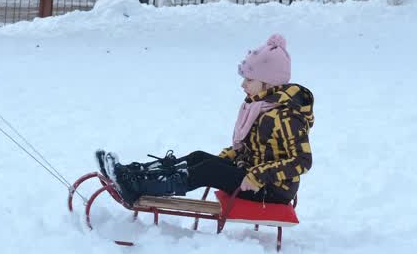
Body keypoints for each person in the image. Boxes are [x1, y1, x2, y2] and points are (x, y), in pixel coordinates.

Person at [97, 34, 313, 205]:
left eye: (249, 79)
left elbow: (302, 160)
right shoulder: (261, 106)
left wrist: (258, 174)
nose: (243, 85)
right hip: (252, 175)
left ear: (269, 83)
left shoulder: (285, 116)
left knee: (209, 170)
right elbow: (254, 146)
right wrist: (230, 155)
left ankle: (137, 186)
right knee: (200, 158)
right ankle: (133, 174)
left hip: (271, 189)